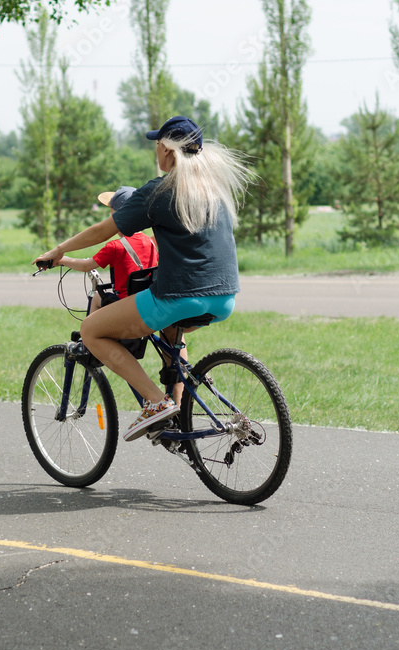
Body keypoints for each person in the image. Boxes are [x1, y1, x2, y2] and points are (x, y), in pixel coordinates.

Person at [34, 115, 250, 442]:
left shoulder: (160, 190)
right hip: (225, 298)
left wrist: (57, 251)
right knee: (172, 334)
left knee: (92, 330)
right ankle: (177, 414)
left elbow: (102, 231)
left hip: (179, 296)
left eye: (158, 145)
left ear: (166, 150)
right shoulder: (214, 188)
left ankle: (156, 402)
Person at [54, 186, 158, 312]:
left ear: (118, 216)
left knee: (97, 298)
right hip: (147, 302)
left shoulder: (115, 247)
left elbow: (86, 266)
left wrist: (61, 260)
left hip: (124, 304)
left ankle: (89, 331)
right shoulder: (150, 242)